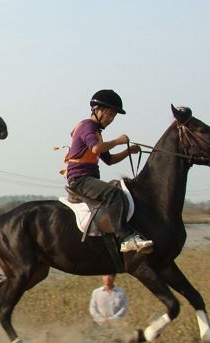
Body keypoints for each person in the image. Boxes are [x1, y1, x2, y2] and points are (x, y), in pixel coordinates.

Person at [64, 89, 152, 254]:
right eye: (109, 114)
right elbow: (96, 148)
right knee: (114, 194)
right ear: (97, 110)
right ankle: (125, 238)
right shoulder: (87, 126)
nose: (111, 119)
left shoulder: (97, 132)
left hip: (89, 178)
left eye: (113, 116)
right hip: (80, 179)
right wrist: (118, 141)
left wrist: (128, 151)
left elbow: (109, 160)